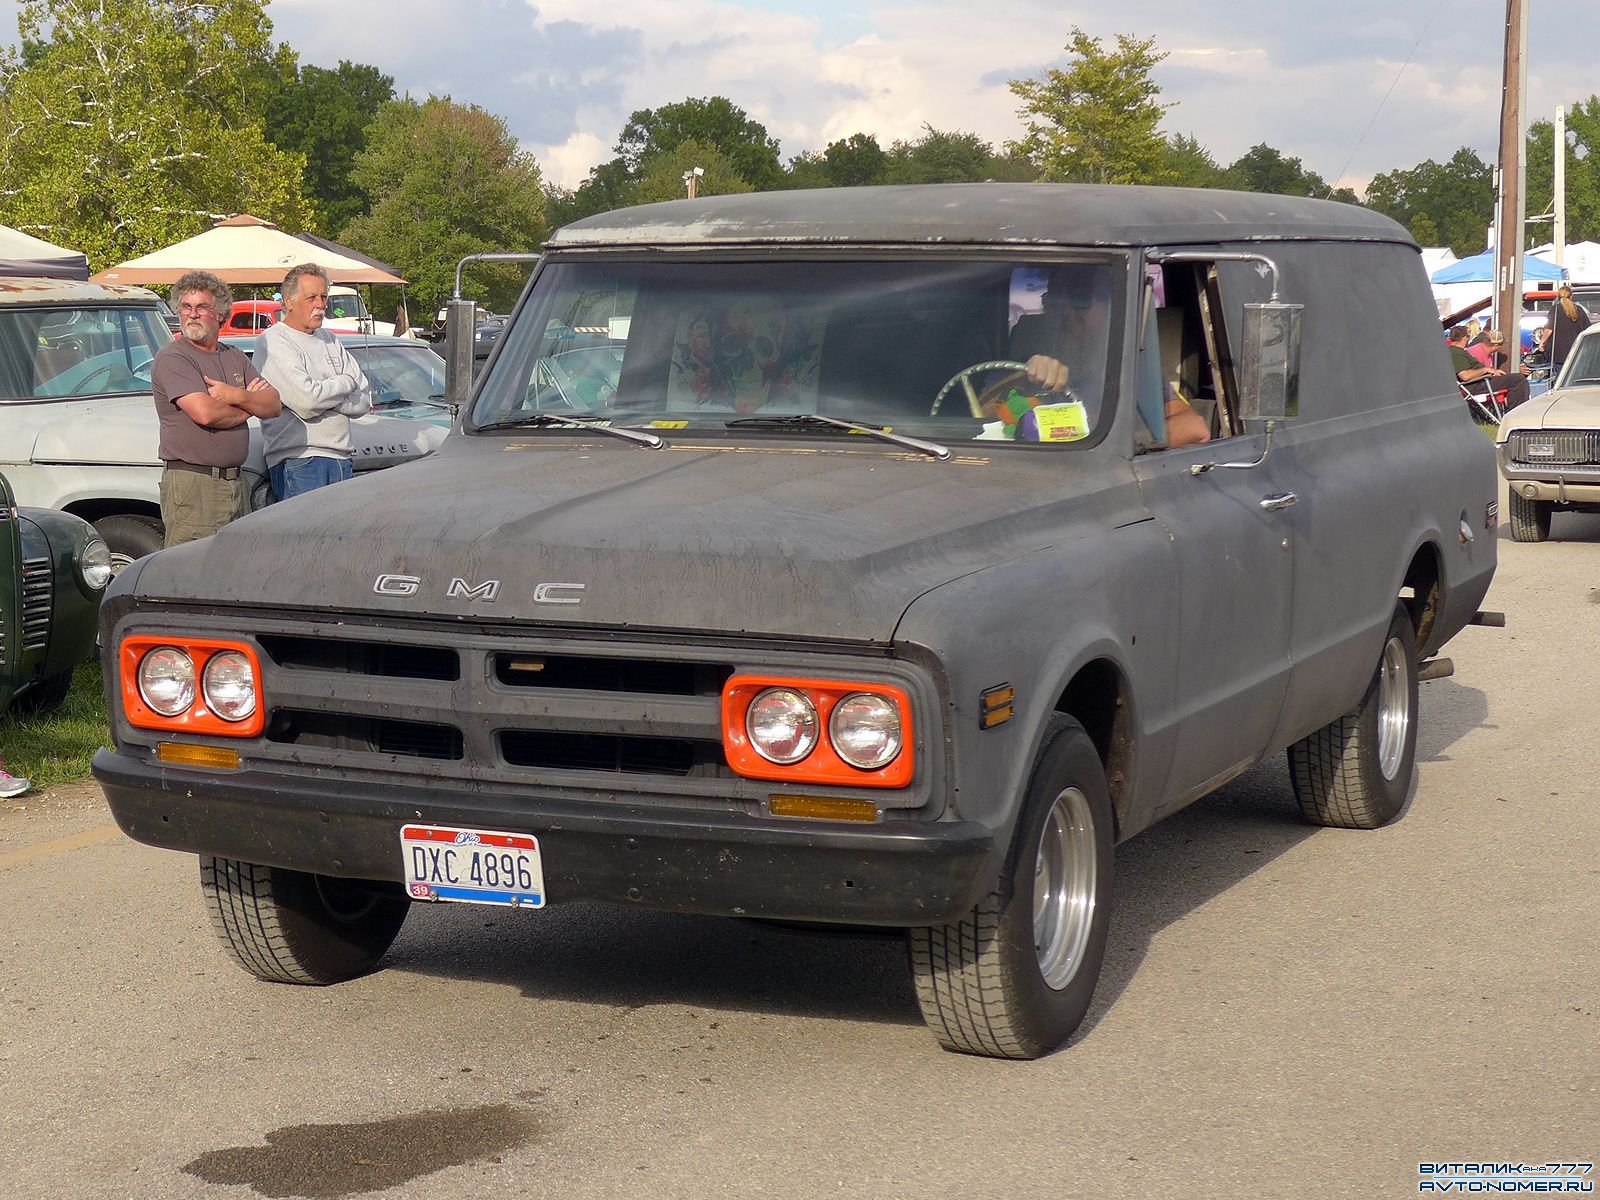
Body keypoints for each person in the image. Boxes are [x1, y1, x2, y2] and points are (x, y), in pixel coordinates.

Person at [1010, 264, 1209, 447]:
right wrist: (1026, 381)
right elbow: (984, 418)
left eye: (1081, 302)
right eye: (1054, 301)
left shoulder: (1130, 370)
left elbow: (1193, 428)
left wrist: (1109, 435)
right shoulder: (1020, 369)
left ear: (1112, 310)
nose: (1066, 313)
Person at [151, 270, 281, 547]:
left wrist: (232, 395)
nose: (192, 314)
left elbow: (273, 404)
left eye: (202, 307)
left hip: (237, 482)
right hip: (194, 484)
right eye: (186, 307)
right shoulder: (174, 357)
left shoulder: (233, 356)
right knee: (192, 573)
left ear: (221, 314)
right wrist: (249, 405)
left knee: (233, 568)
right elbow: (206, 413)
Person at [253, 263, 372, 501]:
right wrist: (345, 383)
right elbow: (306, 401)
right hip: (301, 461)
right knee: (306, 538)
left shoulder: (330, 339)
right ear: (288, 301)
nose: (320, 305)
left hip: (342, 459)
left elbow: (364, 401)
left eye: (323, 297)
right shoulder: (274, 342)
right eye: (311, 298)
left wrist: (323, 394)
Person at [1448, 324, 1529, 410]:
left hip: (1481, 382)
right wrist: (1486, 370)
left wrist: (1492, 371)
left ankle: (1515, 412)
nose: (1469, 339)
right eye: (1468, 336)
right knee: (1518, 379)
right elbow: (1465, 376)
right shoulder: (1456, 353)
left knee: (1518, 379)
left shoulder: (1458, 351)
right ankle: (1515, 414)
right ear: (1464, 338)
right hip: (1477, 385)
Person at [1538, 284, 1591, 371]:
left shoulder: (1555, 310)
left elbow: (1548, 329)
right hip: (1576, 350)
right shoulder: (1579, 310)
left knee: (1559, 378)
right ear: (1571, 296)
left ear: (1558, 297)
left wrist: (1542, 343)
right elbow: (1587, 329)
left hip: (1559, 353)